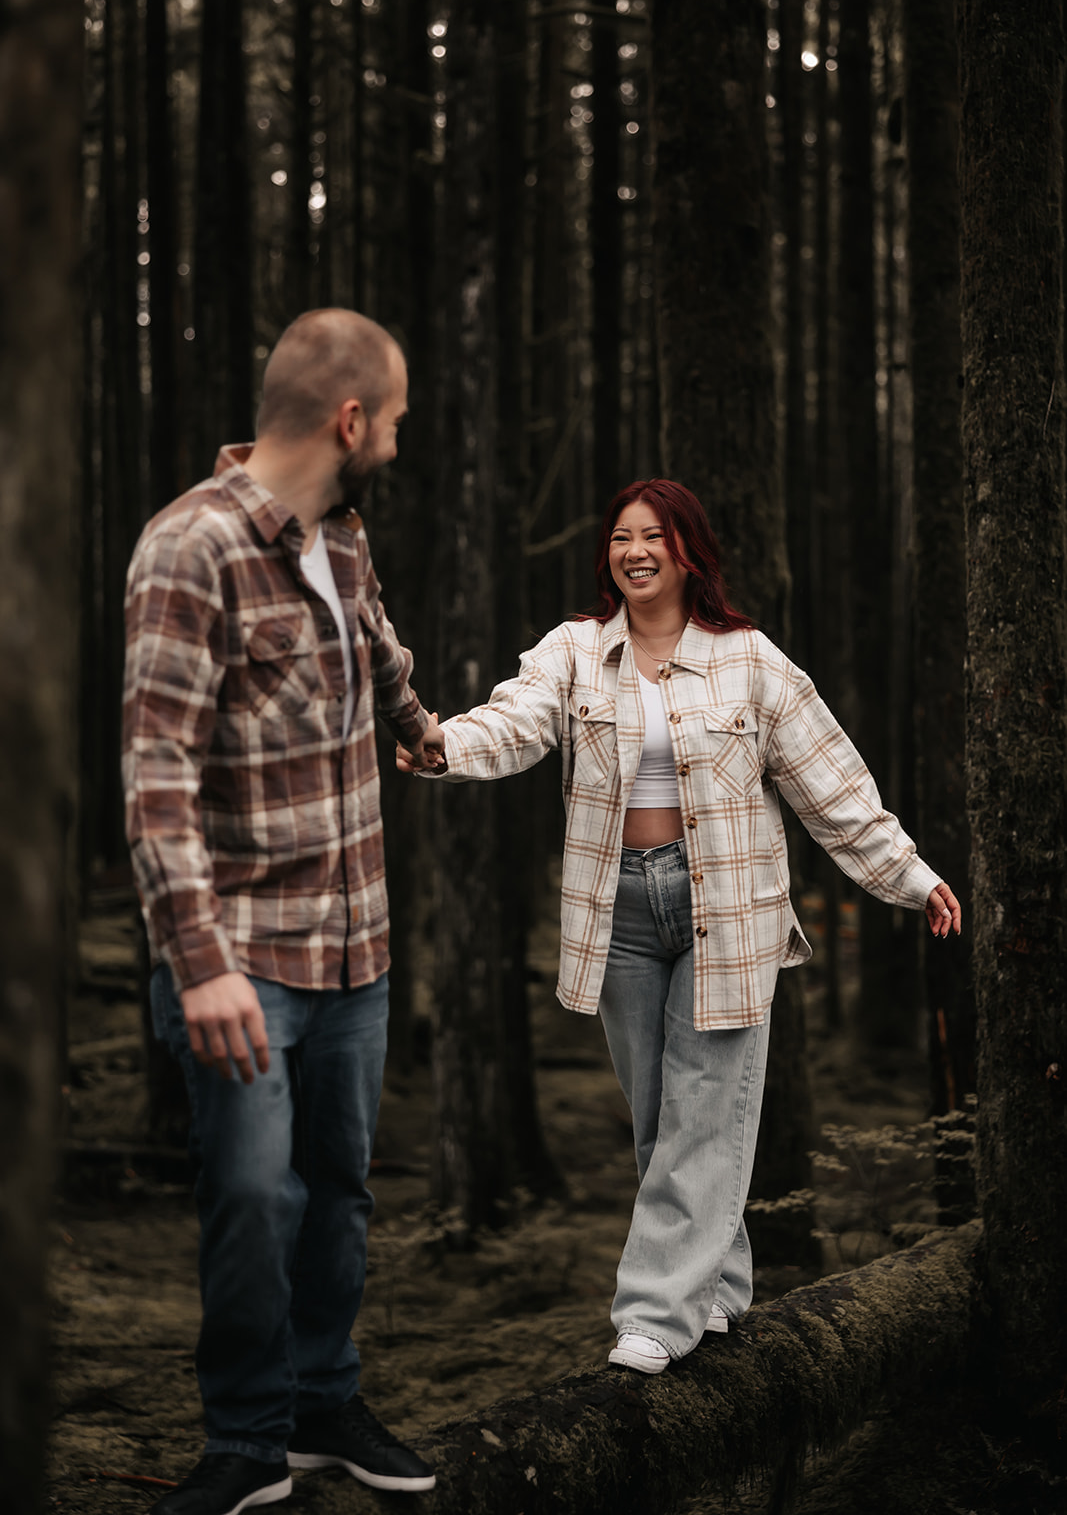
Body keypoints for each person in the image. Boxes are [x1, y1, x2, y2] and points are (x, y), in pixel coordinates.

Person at [398, 478, 961, 1376]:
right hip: (616, 909)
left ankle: (655, 1315)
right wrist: (442, 744)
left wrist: (909, 875)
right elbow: (515, 720)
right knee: (665, 1120)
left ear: (688, 550)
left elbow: (833, 787)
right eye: (620, 538)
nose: (634, 552)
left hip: (725, 912)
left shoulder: (751, 662)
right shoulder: (577, 652)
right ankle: (718, 1294)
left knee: (705, 1109)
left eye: (653, 536)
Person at [123, 309, 444, 1514]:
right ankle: (247, 1436)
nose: (399, 446)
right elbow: (153, 772)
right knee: (254, 1195)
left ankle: (323, 1404)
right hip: (242, 958)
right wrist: (196, 963)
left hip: (354, 944)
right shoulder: (188, 550)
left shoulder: (341, 537)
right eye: (396, 422)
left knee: (339, 1187)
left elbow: (377, 651)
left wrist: (419, 730)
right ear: (348, 419)